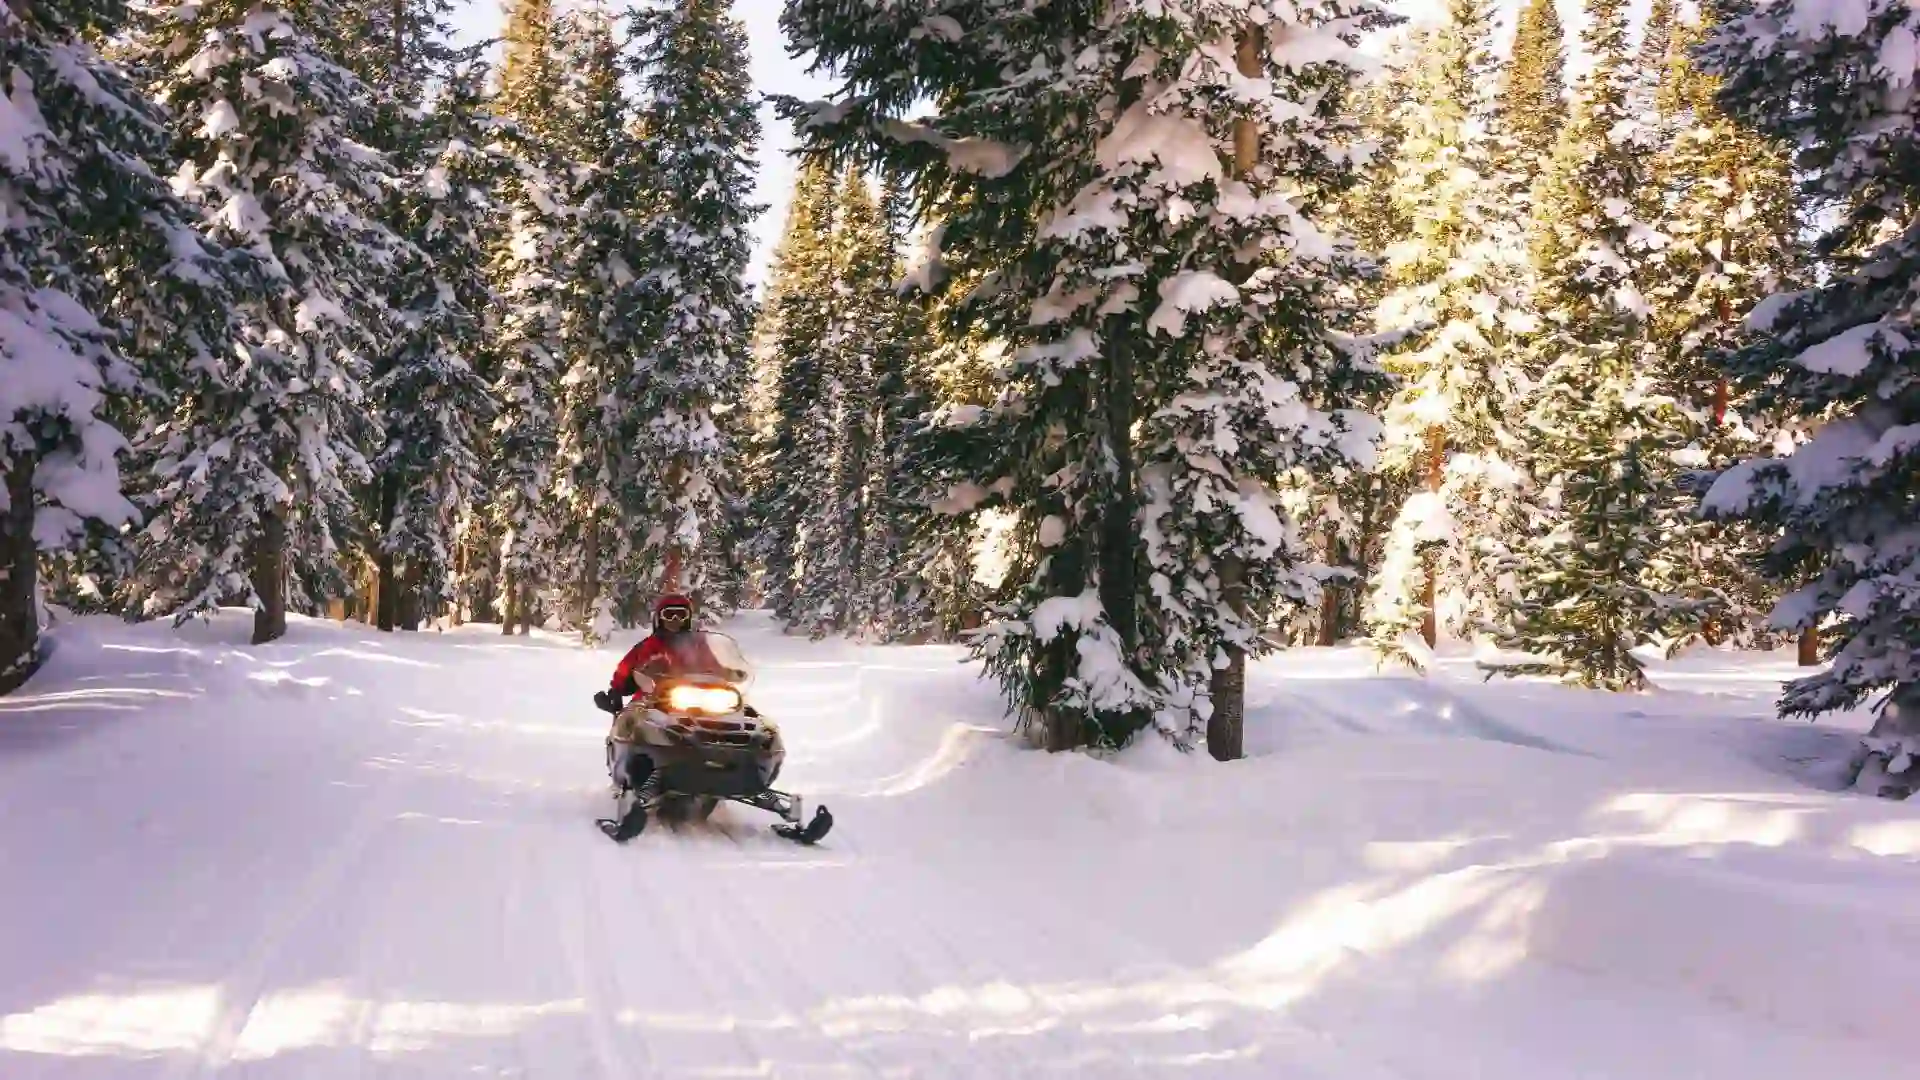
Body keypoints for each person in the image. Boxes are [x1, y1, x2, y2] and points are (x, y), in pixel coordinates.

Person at [594, 594, 696, 715]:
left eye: (681, 615)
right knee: (631, 720)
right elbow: (624, 668)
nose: (675, 619)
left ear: (687, 619)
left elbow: (713, 665)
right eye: (669, 615)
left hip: (693, 701)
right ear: (660, 618)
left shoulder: (697, 645)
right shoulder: (647, 646)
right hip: (650, 702)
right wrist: (615, 691)